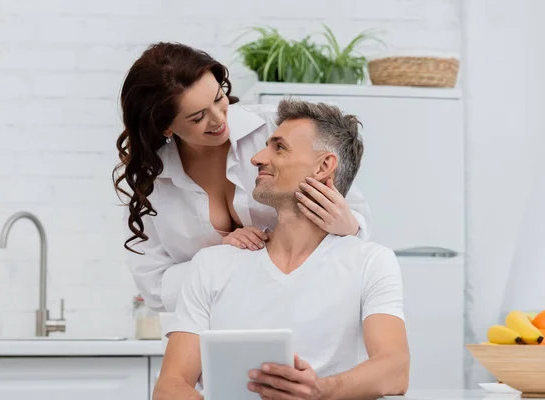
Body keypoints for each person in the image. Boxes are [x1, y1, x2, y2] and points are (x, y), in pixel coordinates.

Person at [153, 99, 410, 400]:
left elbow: (395, 370)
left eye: (279, 148)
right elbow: (170, 385)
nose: (257, 158)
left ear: (324, 166)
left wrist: (319, 391)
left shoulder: (371, 262)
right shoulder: (213, 264)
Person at [114, 42, 372, 313]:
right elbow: (156, 290)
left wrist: (350, 226)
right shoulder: (152, 181)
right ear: (166, 126)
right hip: (207, 333)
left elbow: (357, 225)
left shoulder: (274, 129)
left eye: (217, 98)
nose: (218, 120)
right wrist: (225, 256)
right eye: (197, 117)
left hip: (299, 314)